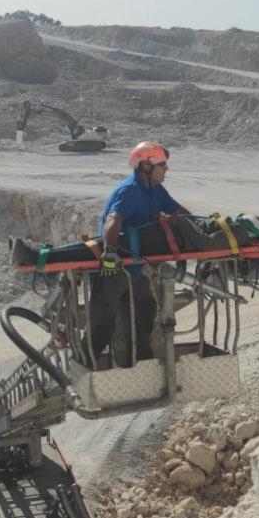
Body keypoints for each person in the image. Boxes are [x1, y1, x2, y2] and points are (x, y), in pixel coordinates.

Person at [92, 140, 190, 367]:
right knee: (104, 320)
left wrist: (197, 228)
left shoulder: (155, 190)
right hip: (114, 267)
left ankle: (142, 358)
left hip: (134, 268)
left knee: (145, 309)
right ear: (146, 166)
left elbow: (178, 211)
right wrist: (110, 252)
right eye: (162, 165)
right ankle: (88, 363)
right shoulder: (129, 191)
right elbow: (113, 219)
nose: (166, 169)